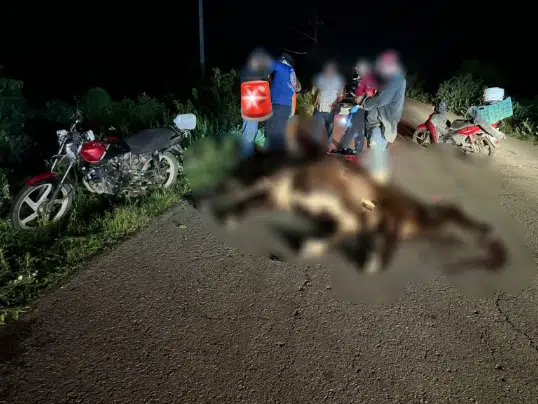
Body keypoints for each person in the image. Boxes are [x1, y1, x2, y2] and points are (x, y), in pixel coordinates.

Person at [361, 50, 406, 182]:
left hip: (380, 125)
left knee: (377, 157)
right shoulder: (392, 79)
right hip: (379, 124)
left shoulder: (396, 78)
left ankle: (375, 190)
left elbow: (381, 100)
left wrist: (365, 103)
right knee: (377, 157)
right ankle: (377, 186)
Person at [336, 60, 378, 155]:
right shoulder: (363, 79)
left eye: (358, 68)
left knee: (353, 128)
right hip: (358, 107)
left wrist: (359, 101)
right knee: (356, 129)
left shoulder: (368, 80)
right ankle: (353, 149)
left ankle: (346, 148)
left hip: (361, 108)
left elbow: (369, 94)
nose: (357, 69)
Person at [263, 53, 301, 151]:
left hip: (277, 106)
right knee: (279, 134)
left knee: (270, 133)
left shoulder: (283, 66)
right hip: (286, 108)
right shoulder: (292, 73)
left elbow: (269, 63)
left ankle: (269, 159)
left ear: (283, 60)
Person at [312, 62, 345, 148]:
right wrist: (314, 103)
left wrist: (336, 104)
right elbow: (313, 92)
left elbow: (340, 96)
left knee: (329, 127)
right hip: (319, 107)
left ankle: (328, 145)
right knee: (316, 126)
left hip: (330, 108)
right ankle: (316, 144)